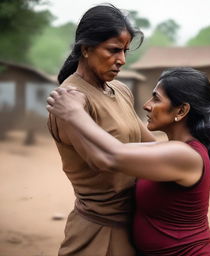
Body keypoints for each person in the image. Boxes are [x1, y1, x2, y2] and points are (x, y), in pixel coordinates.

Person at [47, 67, 210, 256]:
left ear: (182, 110)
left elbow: (111, 156)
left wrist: (74, 113)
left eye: (156, 98)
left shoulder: (184, 156)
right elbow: (125, 137)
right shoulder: (171, 150)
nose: (147, 105)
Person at [47, 4, 155, 256]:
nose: (122, 60)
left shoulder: (120, 90)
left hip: (134, 228)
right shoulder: (69, 101)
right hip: (98, 234)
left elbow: (150, 142)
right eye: (114, 50)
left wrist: (192, 136)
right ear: (85, 49)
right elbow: (105, 161)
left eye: (125, 51)